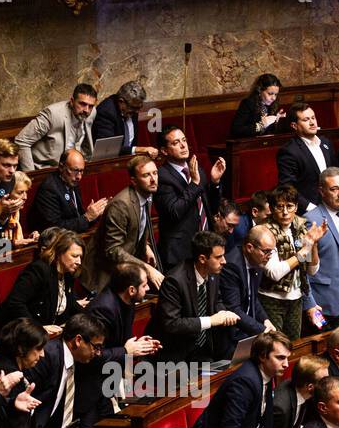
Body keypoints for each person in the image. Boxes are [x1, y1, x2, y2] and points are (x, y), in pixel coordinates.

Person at [147, 230, 239, 366]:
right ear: (202, 259)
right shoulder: (175, 281)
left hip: (201, 350)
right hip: (174, 354)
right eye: (218, 257)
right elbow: (171, 323)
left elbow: (217, 300)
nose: (224, 261)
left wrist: (222, 312)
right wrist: (211, 320)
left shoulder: (213, 273)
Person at [24, 312, 108, 428]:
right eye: (96, 347)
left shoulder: (71, 358)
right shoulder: (48, 356)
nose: (98, 353)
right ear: (78, 340)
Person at [81, 155, 162, 294]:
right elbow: (112, 250)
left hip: (124, 270)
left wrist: (146, 247)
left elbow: (140, 227)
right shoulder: (121, 205)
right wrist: (146, 268)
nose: (153, 179)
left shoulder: (147, 194)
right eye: (146, 175)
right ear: (134, 181)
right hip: (104, 276)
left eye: (155, 173)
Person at [0, 230, 83, 342]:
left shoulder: (67, 274)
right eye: (75, 256)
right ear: (59, 252)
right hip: (11, 334)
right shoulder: (39, 269)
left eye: (80, 257)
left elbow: (70, 304)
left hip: (39, 334)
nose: (79, 262)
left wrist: (91, 318)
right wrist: (38, 328)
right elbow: (15, 302)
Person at [155, 126, 224, 268]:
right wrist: (194, 183)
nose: (183, 145)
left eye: (184, 140)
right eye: (175, 143)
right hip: (180, 251)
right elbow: (174, 211)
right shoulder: (161, 176)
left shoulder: (196, 169)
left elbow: (211, 207)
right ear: (164, 150)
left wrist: (215, 183)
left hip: (205, 244)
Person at [260, 184, 324, 337]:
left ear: (296, 207)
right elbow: (274, 273)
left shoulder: (301, 227)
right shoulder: (264, 230)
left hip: (296, 298)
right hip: (271, 299)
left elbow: (312, 271)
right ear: (271, 207)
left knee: (294, 345)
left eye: (289, 206)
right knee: (275, 345)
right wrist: (303, 252)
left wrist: (313, 244)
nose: (285, 212)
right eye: (280, 207)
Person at [14, 83, 98, 172]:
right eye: (82, 104)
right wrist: (31, 175)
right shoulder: (52, 114)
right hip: (45, 169)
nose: (86, 110)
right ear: (72, 101)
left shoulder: (92, 113)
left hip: (73, 170)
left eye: (90, 106)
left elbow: (85, 144)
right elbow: (22, 141)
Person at [26, 149, 108, 234]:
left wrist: (95, 214)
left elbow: (76, 218)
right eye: (75, 170)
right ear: (61, 167)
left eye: (81, 171)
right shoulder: (49, 189)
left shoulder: (71, 181)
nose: (79, 177)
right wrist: (87, 217)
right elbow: (55, 228)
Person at [276, 102, 336, 211]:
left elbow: (335, 173)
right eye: (306, 120)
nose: (312, 122)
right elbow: (287, 187)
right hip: (308, 211)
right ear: (294, 126)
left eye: (313, 118)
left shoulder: (325, 143)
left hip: (331, 205)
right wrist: (310, 208)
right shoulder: (289, 151)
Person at [220, 224, 275, 341]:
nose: (269, 256)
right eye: (266, 251)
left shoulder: (258, 261)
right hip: (231, 334)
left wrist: (265, 320)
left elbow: (252, 298)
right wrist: (262, 330)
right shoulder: (232, 266)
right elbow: (233, 308)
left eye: (272, 251)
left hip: (248, 329)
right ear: (250, 247)